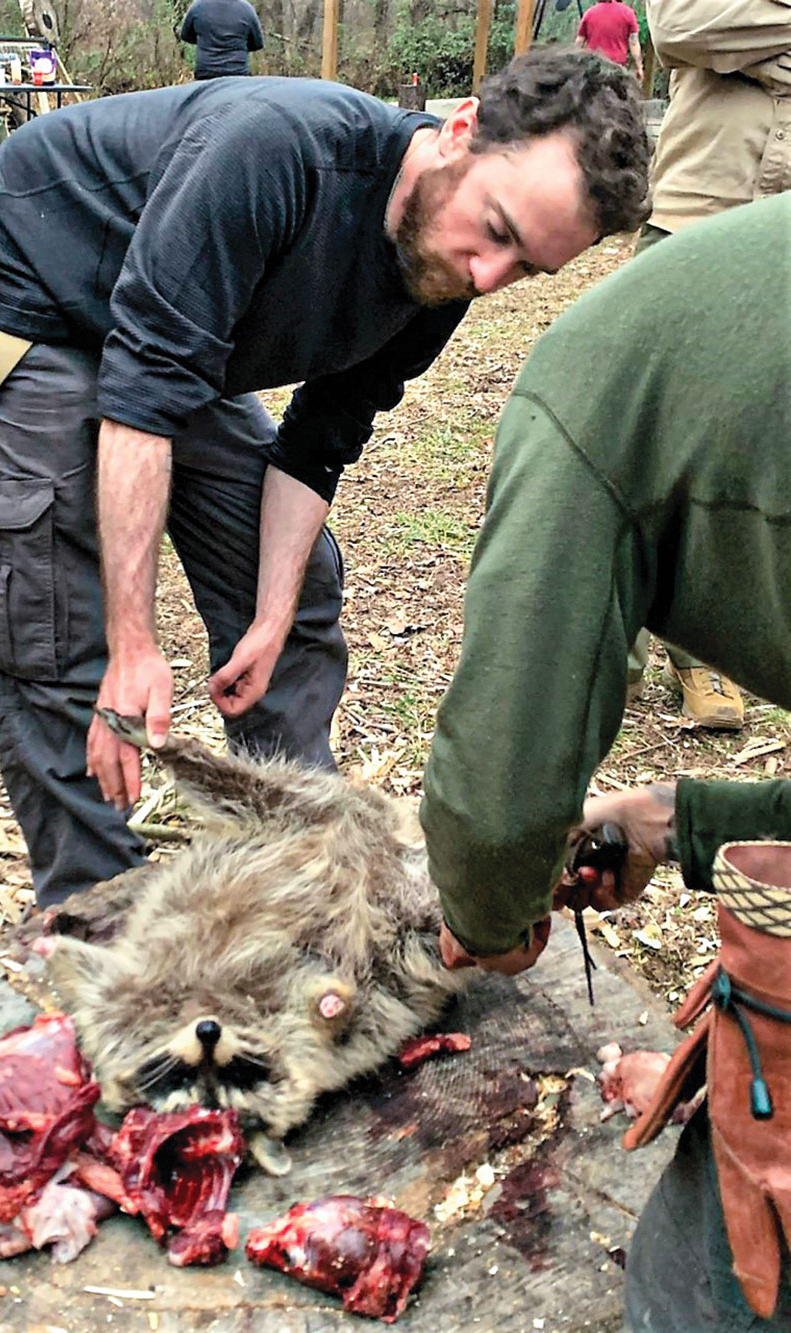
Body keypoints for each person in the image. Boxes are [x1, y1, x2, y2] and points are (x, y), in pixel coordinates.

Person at [0, 50, 650, 910]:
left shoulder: (444, 272)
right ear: (460, 131)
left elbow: (318, 442)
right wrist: (134, 643)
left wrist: (266, 619)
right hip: (34, 285)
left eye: (527, 268)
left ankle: (308, 873)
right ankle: (98, 922)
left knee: (296, 591)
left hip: (179, 331)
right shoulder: (276, 152)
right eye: (495, 230)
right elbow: (144, 395)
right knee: (53, 622)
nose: (488, 276)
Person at [419, 193, 791, 1329]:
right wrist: (681, 816)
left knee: (707, 1281)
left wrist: (488, 914)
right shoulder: (730, 332)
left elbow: (502, 773)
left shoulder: (587, 388)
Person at [624, 0, 791, 730]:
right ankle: (604, 649)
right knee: (639, 448)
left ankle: (704, 654)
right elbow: (685, 25)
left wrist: (754, 43)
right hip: (698, 210)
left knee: (750, 453)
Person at [179, 0, 263, 79]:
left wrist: (205, 40)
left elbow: (185, 35)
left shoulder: (198, 6)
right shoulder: (247, 9)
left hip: (206, 73)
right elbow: (257, 43)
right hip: (238, 73)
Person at [575, 0, 644, 81]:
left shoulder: (589, 13)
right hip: (617, 68)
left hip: (594, 68)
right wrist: (639, 67)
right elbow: (634, 43)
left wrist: (576, 63)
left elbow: (580, 42)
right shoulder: (628, 13)